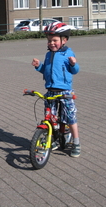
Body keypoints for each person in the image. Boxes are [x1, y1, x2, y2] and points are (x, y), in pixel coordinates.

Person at [31, 22, 81, 158]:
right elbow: (46, 71)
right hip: (51, 91)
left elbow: (74, 71)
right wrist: (39, 66)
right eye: (49, 41)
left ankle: (76, 143)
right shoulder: (48, 55)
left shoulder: (68, 53)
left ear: (64, 40)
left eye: (55, 40)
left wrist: (73, 64)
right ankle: (54, 139)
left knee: (70, 117)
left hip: (65, 92)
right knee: (51, 118)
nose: (51, 43)